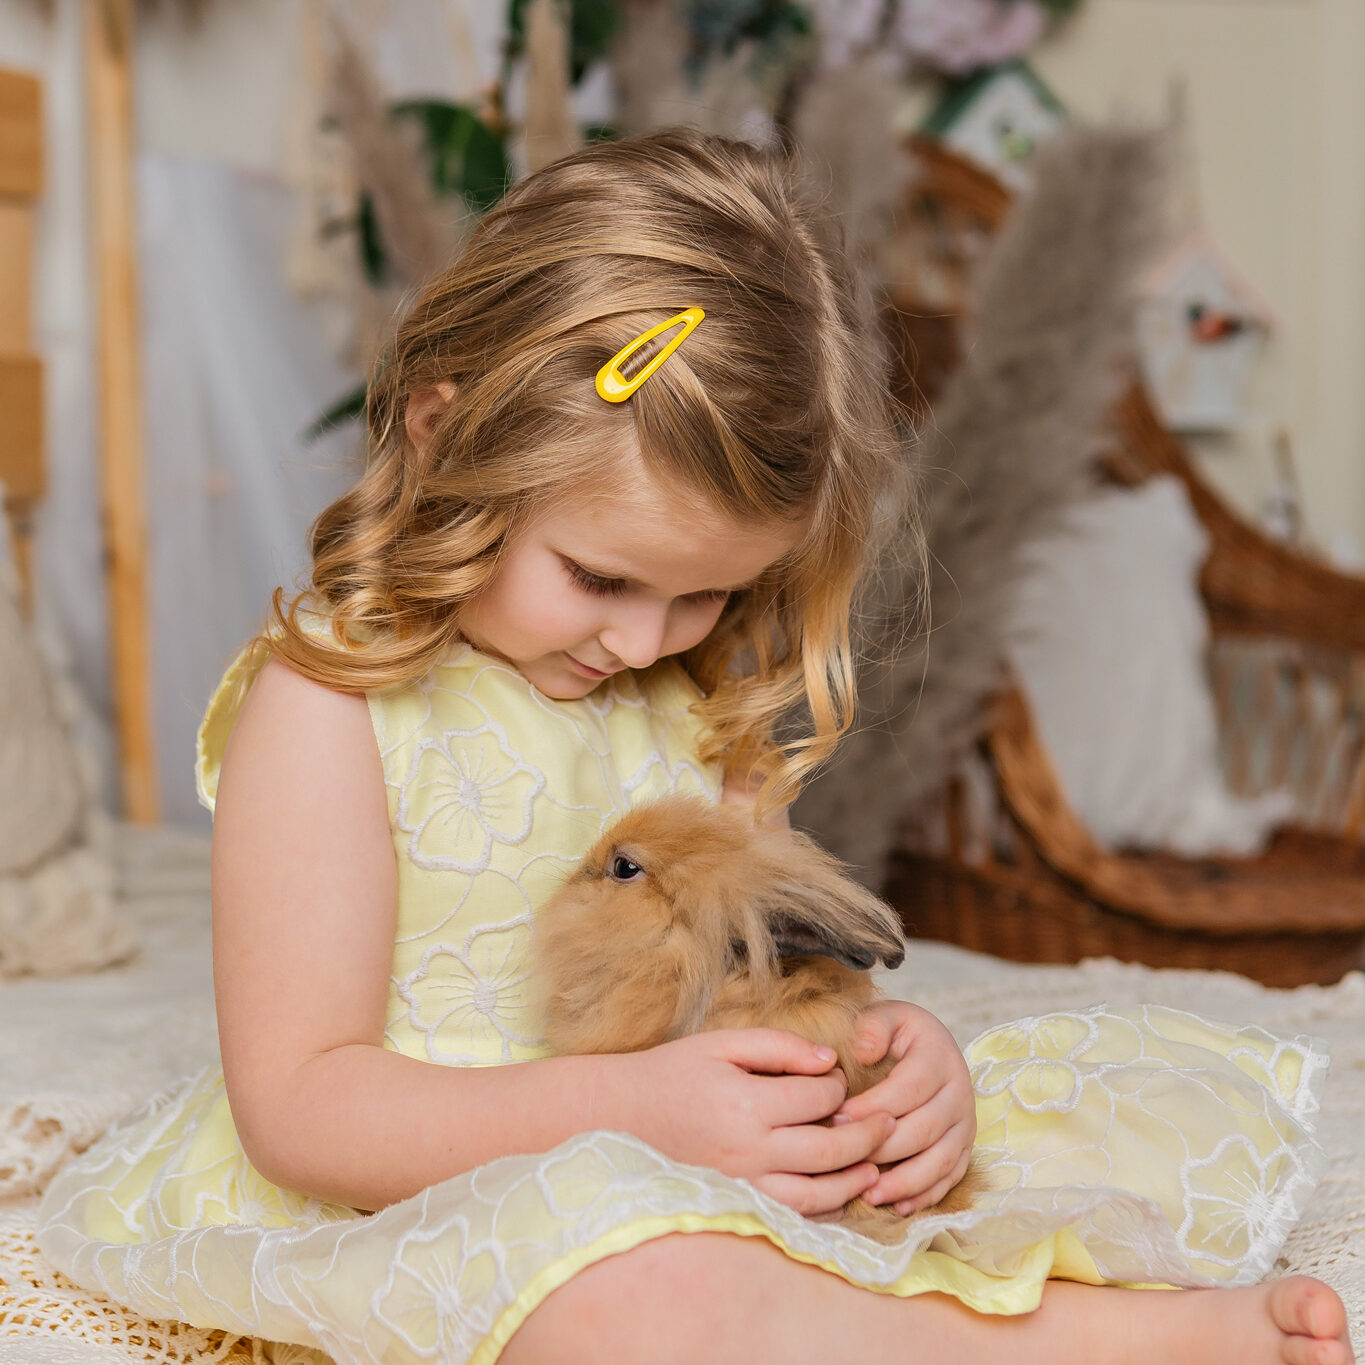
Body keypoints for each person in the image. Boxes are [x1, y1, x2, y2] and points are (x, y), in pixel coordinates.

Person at [40, 128, 1351, 1365]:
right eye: (599, 576)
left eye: (704, 594)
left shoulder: (696, 701)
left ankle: (991, 1304)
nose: (641, 638)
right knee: (643, 1292)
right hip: (429, 1187)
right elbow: (301, 1106)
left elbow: (771, 978)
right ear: (443, 437)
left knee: (1010, 1145)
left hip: (675, 1149)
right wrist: (630, 1116)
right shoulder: (333, 705)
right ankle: (1061, 1346)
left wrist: (880, 1069)